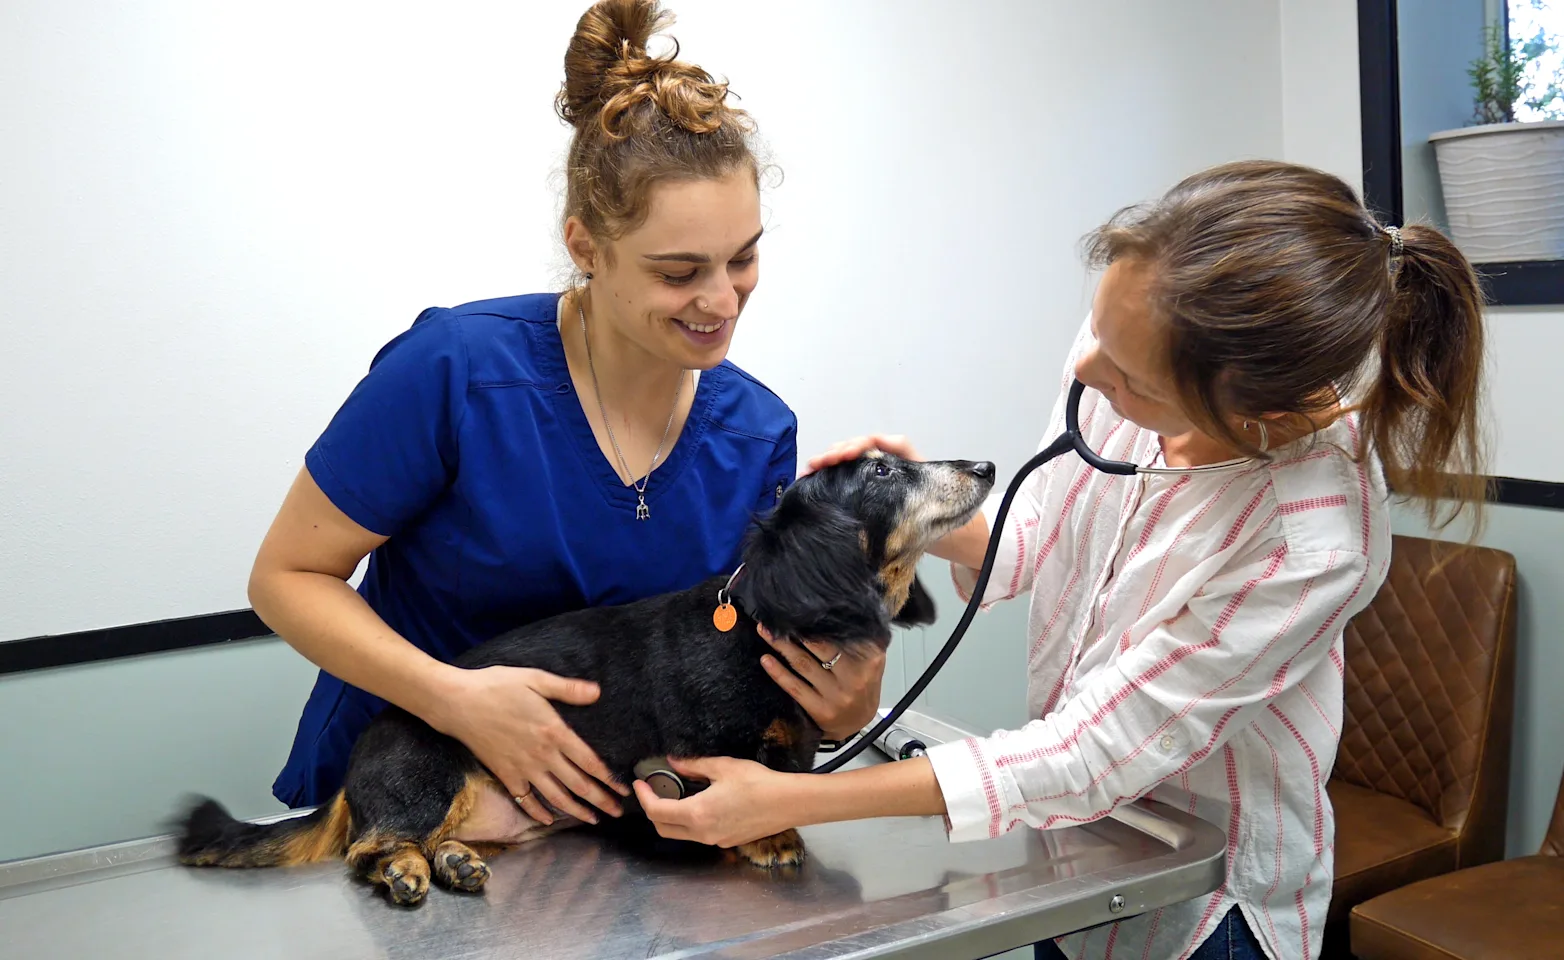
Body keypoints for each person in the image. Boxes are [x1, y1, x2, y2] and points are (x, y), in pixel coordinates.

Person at [633, 160, 1490, 960]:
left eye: (1129, 378)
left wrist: (789, 801)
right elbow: (1040, 540)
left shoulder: (1311, 538)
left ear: (1252, 412)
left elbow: (1090, 755)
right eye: (1098, 333)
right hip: (1075, 861)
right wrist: (923, 515)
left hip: (1201, 900)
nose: (1087, 367)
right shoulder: (1133, 341)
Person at [248, 0, 886, 829]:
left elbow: (739, 655)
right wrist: (454, 700)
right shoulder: (455, 373)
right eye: (678, 272)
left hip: (594, 832)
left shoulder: (757, 435)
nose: (723, 300)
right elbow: (287, 578)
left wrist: (841, 704)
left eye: (743, 257)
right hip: (402, 800)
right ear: (585, 246)